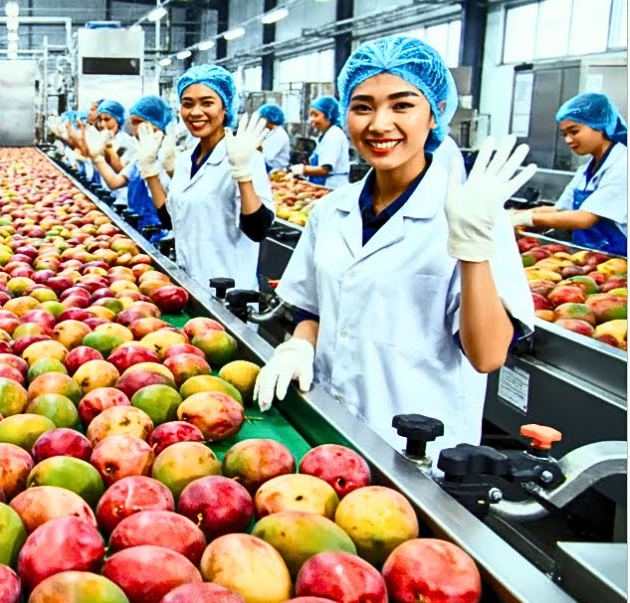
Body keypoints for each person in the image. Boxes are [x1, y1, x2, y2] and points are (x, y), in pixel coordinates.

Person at [255, 35, 535, 458]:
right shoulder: (331, 212)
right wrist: (299, 344)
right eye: (363, 106)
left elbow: (489, 355)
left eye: (402, 105)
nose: (379, 124)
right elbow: (312, 309)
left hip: (420, 451)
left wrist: (474, 250)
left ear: (435, 114)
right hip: (330, 431)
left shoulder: (473, 213)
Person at [140, 65, 275, 291]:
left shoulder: (245, 156)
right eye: (188, 104)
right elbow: (172, 221)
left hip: (229, 292)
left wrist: (242, 173)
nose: (195, 112)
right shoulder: (185, 161)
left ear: (225, 108)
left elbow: (258, 230)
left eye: (207, 103)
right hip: (188, 285)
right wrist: (150, 172)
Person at [512, 93, 627, 254]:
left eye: (574, 131)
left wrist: (525, 219)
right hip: (588, 255)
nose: (568, 140)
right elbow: (561, 210)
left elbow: (584, 218)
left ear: (599, 126)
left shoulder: (622, 166)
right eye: (565, 134)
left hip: (619, 259)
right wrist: (513, 214)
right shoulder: (587, 169)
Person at [85, 95, 174, 241]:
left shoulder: (169, 158)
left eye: (140, 123)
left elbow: (169, 214)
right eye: (133, 124)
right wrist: (97, 158)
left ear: (157, 123)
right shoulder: (140, 155)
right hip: (137, 229)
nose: (135, 131)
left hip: (160, 234)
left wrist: (150, 170)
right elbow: (115, 182)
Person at [293, 95, 352, 189]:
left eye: (315, 115)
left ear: (329, 116)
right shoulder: (326, 135)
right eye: (311, 115)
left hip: (332, 186)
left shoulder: (333, 136)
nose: (311, 120)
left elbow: (325, 169)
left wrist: (302, 169)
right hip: (323, 184)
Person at [256, 104, 291, 173]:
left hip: (275, 171)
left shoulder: (279, 134)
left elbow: (267, 156)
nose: (259, 120)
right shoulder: (271, 132)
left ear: (268, 118)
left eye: (261, 117)